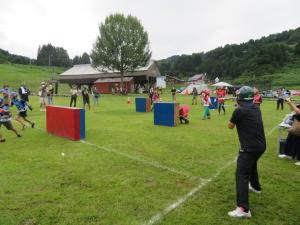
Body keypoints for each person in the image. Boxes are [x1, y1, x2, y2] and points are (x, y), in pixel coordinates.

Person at [227, 86, 266, 218]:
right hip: (261, 146)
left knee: (241, 175)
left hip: (249, 148)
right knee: (252, 165)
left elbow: (230, 126)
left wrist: (236, 108)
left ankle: (243, 209)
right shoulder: (256, 107)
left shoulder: (239, 111)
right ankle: (255, 186)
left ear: (239, 98)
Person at [279, 99, 300, 166]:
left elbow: (298, 111)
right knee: (290, 139)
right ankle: (288, 154)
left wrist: (290, 103)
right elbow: (294, 110)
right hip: (296, 124)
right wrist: (289, 103)